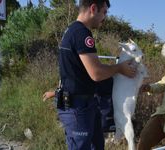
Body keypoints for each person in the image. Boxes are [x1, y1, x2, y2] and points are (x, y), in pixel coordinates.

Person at [57, 0, 136, 150]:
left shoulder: (71, 30)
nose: (105, 17)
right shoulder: (82, 34)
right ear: (93, 8)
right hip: (78, 108)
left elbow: (75, 71)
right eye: (104, 12)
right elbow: (96, 73)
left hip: (84, 104)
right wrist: (120, 68)